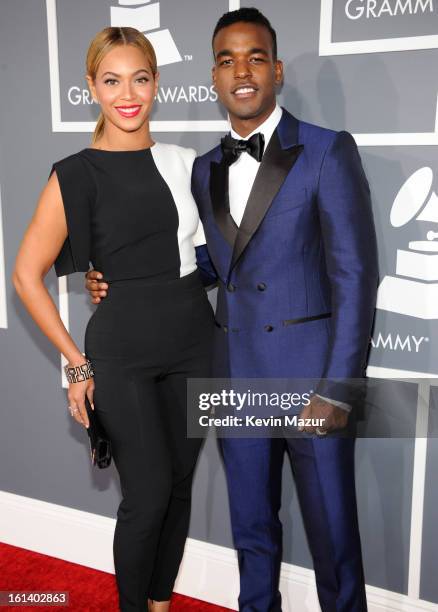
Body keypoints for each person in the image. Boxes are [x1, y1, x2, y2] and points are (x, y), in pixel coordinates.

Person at [86, 9, 379, 612]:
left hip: (312, 382)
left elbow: (355, 278)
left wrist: (339, 390)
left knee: (334, 545)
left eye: (253, 58)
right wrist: (120, 279)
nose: (240, 71)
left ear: (275, 70)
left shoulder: (327, 150)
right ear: (214, 78)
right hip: (235, 375)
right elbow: (214, 264)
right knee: (251, 536)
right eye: (226, 60)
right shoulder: (203, 168)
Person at [13, 26, 214, 612]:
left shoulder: (185, 164)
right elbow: (27, 275)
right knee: (147, 495)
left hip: (195, 342)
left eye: (140, 78)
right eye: (111, 80)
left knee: (178, 487)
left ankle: (160, 603)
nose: (128, 94)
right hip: (121, 353)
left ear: (156, 84)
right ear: (91, 88)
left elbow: (207, 260)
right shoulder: (74, 174)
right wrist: (77, 366)